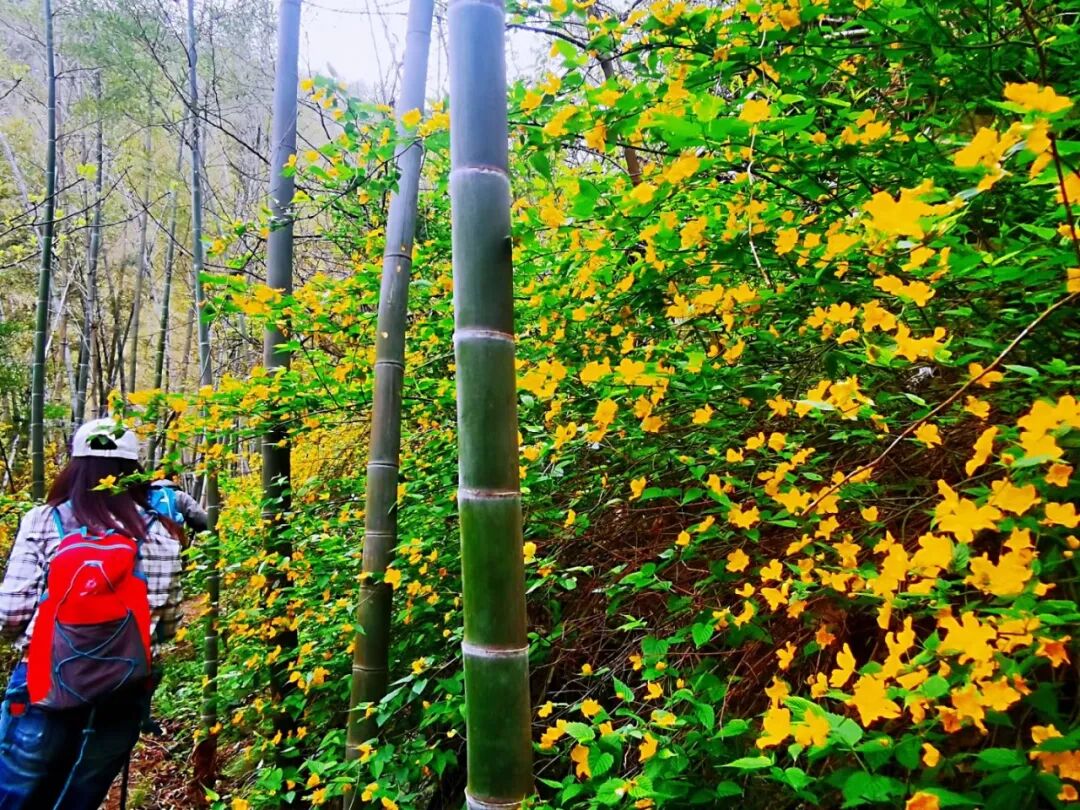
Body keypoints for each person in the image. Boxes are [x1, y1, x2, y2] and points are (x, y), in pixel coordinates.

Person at [0, 418, 183, 809]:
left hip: (43, 682)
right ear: (134, 471)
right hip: (122, 689)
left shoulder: (43, 521)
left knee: (17, 794)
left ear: (75, 467)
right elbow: (167, 625)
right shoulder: (160, 532)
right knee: (80, 797)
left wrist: (35, 640)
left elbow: (10, 612)